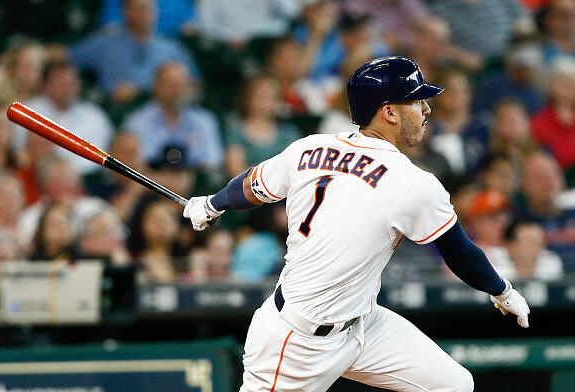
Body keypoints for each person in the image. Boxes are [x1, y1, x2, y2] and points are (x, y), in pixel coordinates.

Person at [183, 56, 530, 391]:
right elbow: (460, 253)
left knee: (453, 384)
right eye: (417, 101)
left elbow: (251, 187)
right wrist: (502, 290)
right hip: (296, 341)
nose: (426, 109)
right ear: (389, 112)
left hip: (364, 325)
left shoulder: (310, 148)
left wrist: (212, 204)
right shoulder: (411, 183)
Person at [71, 0, 199, 103]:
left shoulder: (171, 48)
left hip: (161, 110)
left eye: (148, 8)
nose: (144, 14)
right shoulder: (105, 42)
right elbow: (67, 57)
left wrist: (147, 92)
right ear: (126, 11)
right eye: (138, 8)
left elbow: (195, 85)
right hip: (116, 111)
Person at [12, 61, 114, 175]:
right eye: (61, 84)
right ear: (46, 85)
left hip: (88, 180)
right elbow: (19, 152)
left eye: (71, 83)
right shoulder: (27, 112)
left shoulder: (95, 116)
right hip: (39, 177)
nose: (67, 89)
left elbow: (106, 155)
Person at [123, 62, 223, 168]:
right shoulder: (137, 123)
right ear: (156, 87)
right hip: (150, 181)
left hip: (197, 181)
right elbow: (135, 166)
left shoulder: (205, 121)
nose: (177, 90)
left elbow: (212, 163)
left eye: (182, 84)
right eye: (171, 84)